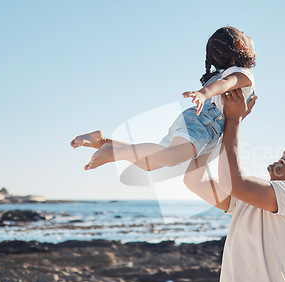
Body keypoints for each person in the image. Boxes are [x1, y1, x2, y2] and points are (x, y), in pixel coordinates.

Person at [184, 89, 285, 282]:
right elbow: (194, 180)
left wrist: (234, 120)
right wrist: (217, 124)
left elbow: (233, 182)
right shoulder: (250, 200)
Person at [70, 26, 256, 173]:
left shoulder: (224, 73)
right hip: (204, 121)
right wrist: (204, 93)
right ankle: (113, 153)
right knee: (170, 157)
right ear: (241, 44)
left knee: (149, 163)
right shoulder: (242, 73)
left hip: (197, 119)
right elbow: (226, 84)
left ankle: (102, 141)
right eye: (245, 34)